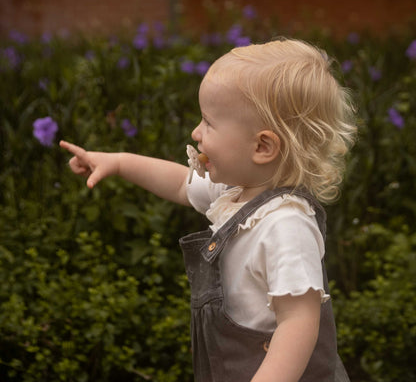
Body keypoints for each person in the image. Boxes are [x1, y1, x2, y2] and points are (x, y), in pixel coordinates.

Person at [60, 37, 356, 382]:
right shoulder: (237, 193)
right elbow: (180, 184)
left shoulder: (286, 224)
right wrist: (119, 163)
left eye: (209, 123)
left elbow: (299, 323)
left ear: (262, 146)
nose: (196, 133)